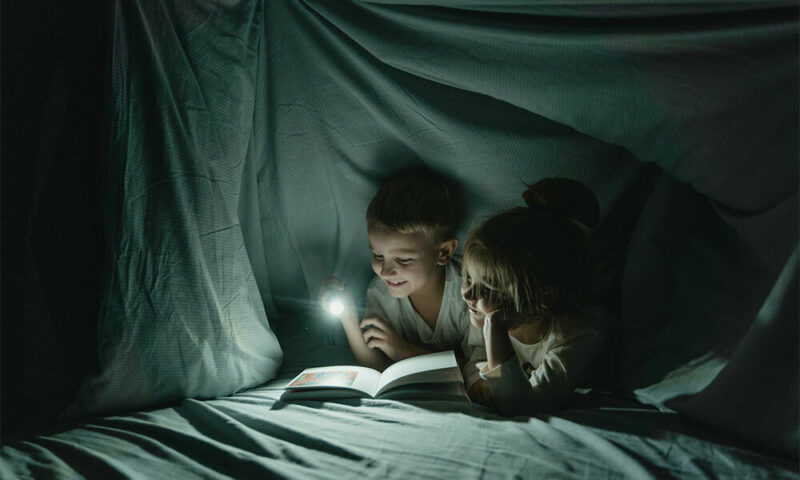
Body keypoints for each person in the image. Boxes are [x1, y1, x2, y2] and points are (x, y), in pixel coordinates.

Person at [320, 167, 489, 402]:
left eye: (403, 259)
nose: (386, 271)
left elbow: (482, 372)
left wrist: (404, 351)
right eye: (378, 256)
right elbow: (374, 367)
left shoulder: (469, 294)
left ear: (444, 252)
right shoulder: (379, 293)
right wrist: (347, 315)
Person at [461, 178, 611, 416]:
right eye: (468, 279)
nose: (468, 294)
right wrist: (478, 382)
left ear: (541, 297)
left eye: (487, 288)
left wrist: (495, 332)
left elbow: (523, 407)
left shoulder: (576, 337)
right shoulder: (487, 312)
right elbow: (476, 358)